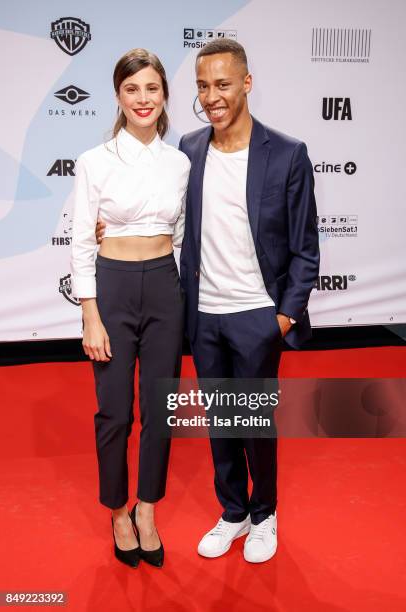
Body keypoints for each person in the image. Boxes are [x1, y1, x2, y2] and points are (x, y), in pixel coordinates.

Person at [96, 39, 320, 564]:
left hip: (258, 316)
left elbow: (306, 248)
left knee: (254, 421)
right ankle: (233, 511)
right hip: (202, 315)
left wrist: (283, 316)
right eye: (202, 86)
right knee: (221, 421)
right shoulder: (188, 152)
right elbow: (159, 212)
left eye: (222, 84)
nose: (212, 96)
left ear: (246, 82)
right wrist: (113, 225)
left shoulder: (287, 153)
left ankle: (265, 513)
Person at [70, 48, 190, 568]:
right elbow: (80, 242)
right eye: (132, 89)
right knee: (115, 411)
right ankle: (118, 511)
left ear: (165, 95)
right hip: (113, 289)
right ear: (118, 97)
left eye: (152, 89)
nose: (143, 99)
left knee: (160, 409)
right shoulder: (94, 162)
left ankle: (147, 509)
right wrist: (90, 313)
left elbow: (182, 235)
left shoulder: (180, 162)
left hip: (165, 286)